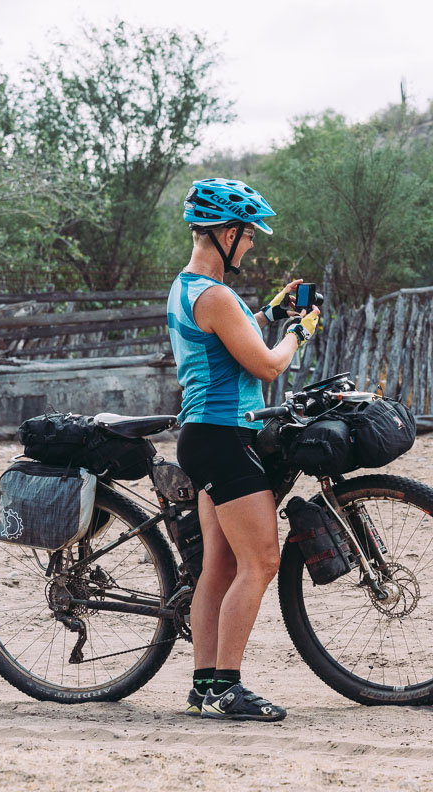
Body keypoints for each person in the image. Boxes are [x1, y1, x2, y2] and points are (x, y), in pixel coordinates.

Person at [168, 177, 320, 721]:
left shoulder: (188, 289)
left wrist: (271, 313)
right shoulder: (217, 296)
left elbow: (233, 341)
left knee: (219, 567)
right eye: (250, 233)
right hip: (223, 437)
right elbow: (265, 364)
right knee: (261, 560)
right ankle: (225, 689)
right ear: (226, 232)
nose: (254, 242)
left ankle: (203, 687)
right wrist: (298, 333)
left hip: (204, 435)